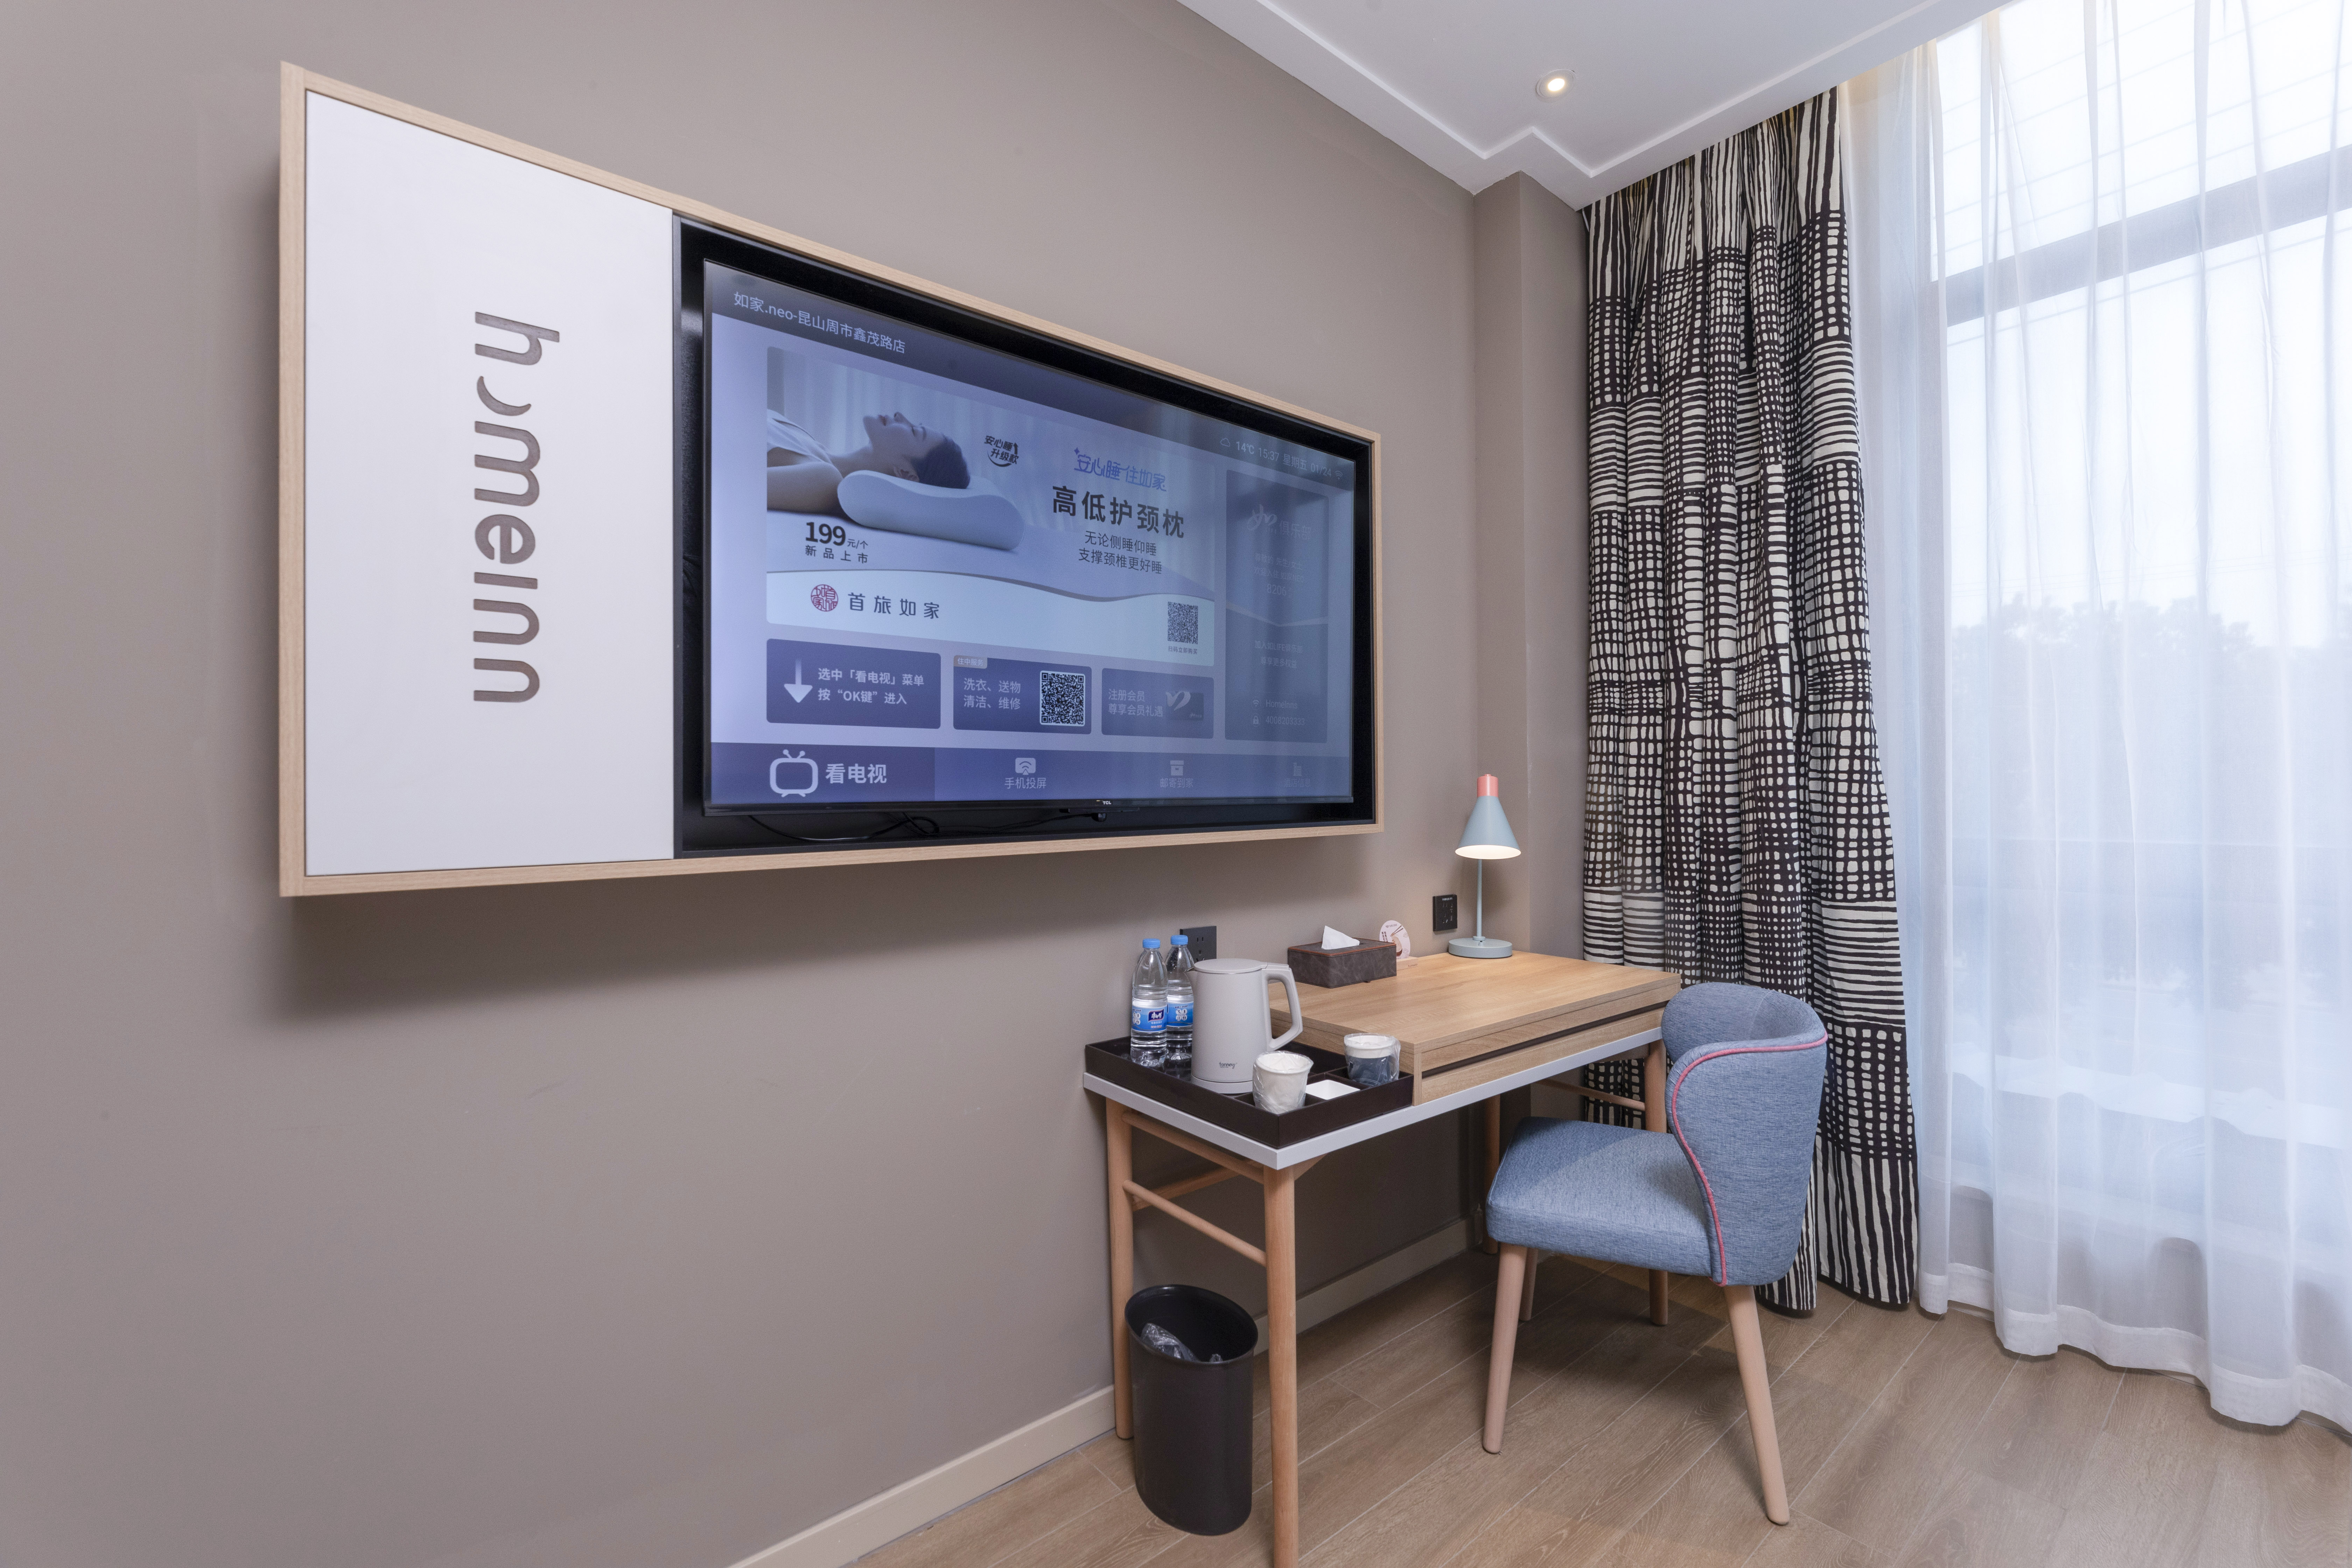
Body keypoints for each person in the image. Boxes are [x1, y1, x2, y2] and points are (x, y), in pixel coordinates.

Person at [766, 409, 971, 514]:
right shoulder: (806, 439)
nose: (900, 415)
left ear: (906, 473)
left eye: (914, 431)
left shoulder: (824, 481)